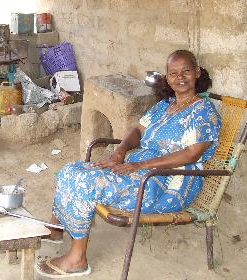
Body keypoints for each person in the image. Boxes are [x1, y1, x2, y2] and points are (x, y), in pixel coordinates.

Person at [35, 50, 222, 278]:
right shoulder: (165, 105)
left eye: (186, 71)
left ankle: (77, 259)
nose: (180, 77)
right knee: (71, 170)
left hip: (165, 182)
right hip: (139, 169)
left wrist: (140, 165)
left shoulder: (204, 111)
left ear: (197, 72)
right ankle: (57, 229)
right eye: (173, 73)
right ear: (167, 77)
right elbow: (137, 130)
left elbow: (191, 155)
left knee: (85, 183)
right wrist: (120, 152)